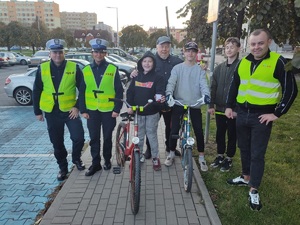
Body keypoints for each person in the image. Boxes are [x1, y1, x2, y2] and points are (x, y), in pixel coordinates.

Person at [225, 29, 298, 211]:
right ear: (249, 45)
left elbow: (291, 90)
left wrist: (277, 113)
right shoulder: (243, 62)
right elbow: (234, 85)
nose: (256, 47)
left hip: (262, 117)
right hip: (242, 113)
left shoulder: (279, 62)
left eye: (260, 43)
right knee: (244, 148)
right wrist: (228, 106)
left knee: (257, 153)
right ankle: (245, 176)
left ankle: (254, 189)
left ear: (269, 42)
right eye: (253, 44)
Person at [33, 39, 85, 181]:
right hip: (51, 112)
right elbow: (37, 90)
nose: (57, 55)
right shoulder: (42, 68)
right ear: (50, 53)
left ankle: (76, 159)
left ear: (64, 53)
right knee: (57, 142)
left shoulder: (73, 67)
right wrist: (37, 111)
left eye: (60, 52)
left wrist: (77, 107)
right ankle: (63, 168)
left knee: (79, 137)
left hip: (70, 111)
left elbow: (83, 89)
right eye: (54, 52)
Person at [131, 36, 183, 159]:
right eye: (161, 46)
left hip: (170, 100)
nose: (164, 49)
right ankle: (149, 149)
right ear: (157, 47)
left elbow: (188, 67)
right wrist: (134, 72)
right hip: (153, 102)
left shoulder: (177, 61)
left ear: (170, 47)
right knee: (151, 128)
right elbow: (140, 70)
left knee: (170, 126)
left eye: (166, 46)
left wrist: (200, 67)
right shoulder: (151, 61)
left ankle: (170, 147)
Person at [79, 38, 123, 176]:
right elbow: (82, 91)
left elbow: (119, 90)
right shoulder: (85, 70)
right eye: (96, 52)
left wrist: (117, 109)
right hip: (92, 111)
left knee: (107, 137)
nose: (98, 55)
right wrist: (83, 110)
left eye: (101, 52)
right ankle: (95, 163)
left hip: (109, 111)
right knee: (94, 138)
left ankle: (107, 160)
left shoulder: (112, 69)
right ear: (92, 53)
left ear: (105, 54)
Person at [165, 41, 210, 171]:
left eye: (193, 51)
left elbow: (204, 85)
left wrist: (206, 95)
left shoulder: (200, 70)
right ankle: (171, 153)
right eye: (188, 51)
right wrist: (169, 94)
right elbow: (171, 83)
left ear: (196, 53)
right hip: (179, 103)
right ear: (184, 52)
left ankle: (201, 158)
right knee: (173, 130)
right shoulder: (177, 68)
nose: (190, 53)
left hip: (194, 104)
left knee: (199, 132)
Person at [126, 51, 165, 170]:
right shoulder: (136, 76)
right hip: (138, 112)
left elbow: (159, 92)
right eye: (144, 61)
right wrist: (130, 106)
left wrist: (159, 99)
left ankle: (155, 157)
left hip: (152, 112)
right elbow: (130, 92)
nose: (147, 64)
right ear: (141, 63)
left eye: (150, 61)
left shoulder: (158, 77)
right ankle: (139, 155)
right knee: (139, 135)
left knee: (152, 135)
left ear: (153, 63)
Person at [208, 37, 241, 172]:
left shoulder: (241, 66)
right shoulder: (219, 68)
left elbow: (243, 89)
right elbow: (213, 87)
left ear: (238, 49)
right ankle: (220, 155)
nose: (229, 49)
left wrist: (237, 109)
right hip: (220, 108)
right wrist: (211, 105)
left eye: (232, 47)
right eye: (227, 47)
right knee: (220, 133)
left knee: (232, 134)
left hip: (233, 110)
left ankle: (229, 158)